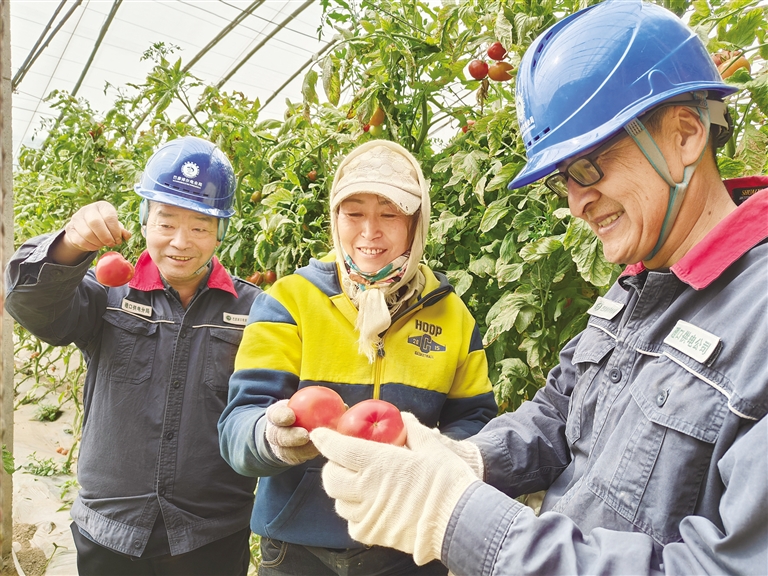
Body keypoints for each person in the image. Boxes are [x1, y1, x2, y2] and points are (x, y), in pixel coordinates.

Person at [309, 1, 768, 575]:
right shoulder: (637, 287)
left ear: (685, 135)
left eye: (588, 166)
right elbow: (560, 411)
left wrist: (459, 518)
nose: (576, 202)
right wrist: (469, 459)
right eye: (562, 180)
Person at [218, 139, 498, 575]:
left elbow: (476, 418)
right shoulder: (291, 301)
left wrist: (432, 455)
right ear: (335, 219)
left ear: (416, 223)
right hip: (299, 548)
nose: (370, 232)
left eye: (390, 214)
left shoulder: (452, 315)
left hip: (408, 542)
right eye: (354, 214)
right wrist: (271, 439)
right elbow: (237, 427)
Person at [5, 136, 261, 575]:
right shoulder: (108, 293)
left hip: (211, 533)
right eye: (166, 223)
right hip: (111, 529)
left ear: (221, 231)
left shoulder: (251, 309)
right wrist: (71, 243)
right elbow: (33, 307)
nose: (181, 242)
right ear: (143, 221)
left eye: (200, 226)